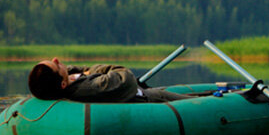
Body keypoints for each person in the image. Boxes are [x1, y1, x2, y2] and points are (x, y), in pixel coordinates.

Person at [27, 57, 192, 103]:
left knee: (196, 92)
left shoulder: (65, 86)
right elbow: (124, 76)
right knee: (198, 101)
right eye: (56, 65)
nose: (56, 59)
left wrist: (74, 73)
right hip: (146, 98)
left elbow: (71, 71)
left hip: (142, 92)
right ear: (63, 84)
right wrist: (92, 70)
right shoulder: (89, 88)